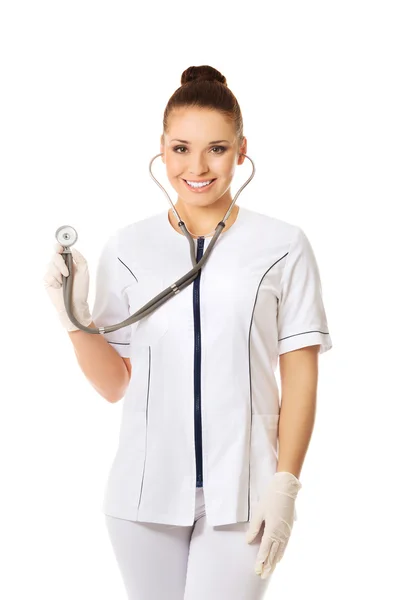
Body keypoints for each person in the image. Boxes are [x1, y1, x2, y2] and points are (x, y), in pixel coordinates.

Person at [43, 65, 333, 599]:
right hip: (142, 496)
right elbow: (114, 384)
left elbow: (301, 375)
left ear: (242, 150)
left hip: (246, 496)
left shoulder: (283, 245)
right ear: (162, 148)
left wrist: (285, 486)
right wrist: (71, 316)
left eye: (216, 149)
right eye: (181, 148)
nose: (197, 167)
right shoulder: (128, 246)